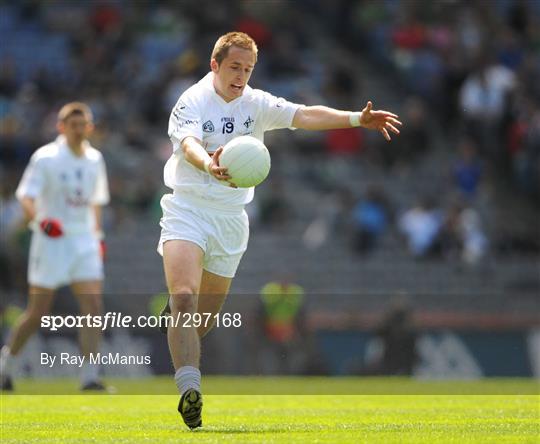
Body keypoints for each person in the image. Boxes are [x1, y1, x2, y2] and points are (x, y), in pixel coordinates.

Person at [157, 31, 402, 429]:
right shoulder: (192, 101)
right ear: (214, 65)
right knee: (184, 297)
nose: (241, 75)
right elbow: (188, 144)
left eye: (248, 69)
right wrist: (208, 166)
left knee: (201, 320)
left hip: (232, 219)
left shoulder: (257, 102)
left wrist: (356, 118)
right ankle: (190, 391)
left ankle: (179, 327)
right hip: (188, 209)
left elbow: (303, 115)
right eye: (234, 67)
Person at [0, 102, 110, 391]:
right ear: (61, 127)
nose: (78, 130)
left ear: (90, 127)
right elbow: (26, 196)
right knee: (38, 311)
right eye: (72, 125)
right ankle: (6, 365)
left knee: (93, 306)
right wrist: (42, 220)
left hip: (83, 239)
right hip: (52, 240)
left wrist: (97, 238)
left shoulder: (95, 159)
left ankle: (89, 377)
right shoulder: (46, 157)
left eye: (82, 125)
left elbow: (96, 201)